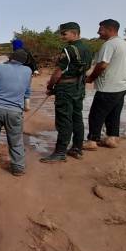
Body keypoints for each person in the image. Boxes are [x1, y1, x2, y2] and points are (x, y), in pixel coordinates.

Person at [41, 22, 93, 163]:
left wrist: (51, 86)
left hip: (66, 88)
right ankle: (77, 148)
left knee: (64, 119)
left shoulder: (69, 49)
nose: (61, 36)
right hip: (79, 87)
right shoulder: (87, 48)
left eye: (64, 33)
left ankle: (60, 152)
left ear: (74, 33)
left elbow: (58, 72)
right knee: (77, 117)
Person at [84, 19, 126, 150]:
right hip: (123, 85)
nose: (98, 32)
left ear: (110, 30)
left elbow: (102, 65)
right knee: (114, 113)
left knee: (96, 114)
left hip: (109, 87)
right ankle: (111, 138)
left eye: (101, 29)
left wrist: (91, 78)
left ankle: (92, 141)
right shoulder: (124, 43)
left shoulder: (109, 45)